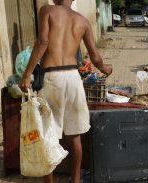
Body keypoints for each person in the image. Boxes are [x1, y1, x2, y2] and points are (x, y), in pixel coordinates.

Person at [19, 0, 112, 183]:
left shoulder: (47, 10)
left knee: (48, 134)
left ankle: (50, 181)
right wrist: (105, 67)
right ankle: (76, 180)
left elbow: (43, 41)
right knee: (74, 135)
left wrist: (27, 74)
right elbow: (95, 57)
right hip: (73, 78)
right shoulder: (83, 21)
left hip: (52, 78)